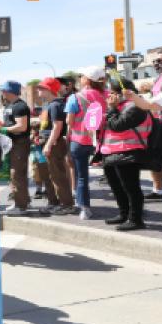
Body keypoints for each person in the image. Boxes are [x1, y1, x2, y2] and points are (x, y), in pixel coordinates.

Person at [101, 78, 152, 231]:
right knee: (117, 186)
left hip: (129, 151)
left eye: (114, 92)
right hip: (112, 152)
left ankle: (136, 219)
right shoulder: (120, 105)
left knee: (131, 188)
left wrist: (112, 108)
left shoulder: (136, 105)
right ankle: (124, 214)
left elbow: (118, 125)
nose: (112, 95)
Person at [64, 66, 107, 220]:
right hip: (101, 142)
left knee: (82, 176)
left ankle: (85, 208)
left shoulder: (75, 98)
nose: (79, 77)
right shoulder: (105, 96)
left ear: (87, 80)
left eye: (81, 76)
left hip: (80, 141)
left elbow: (69, 121)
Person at [38, 78, 75, 214]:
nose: (39, 91)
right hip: (52, 142)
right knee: (54, 175)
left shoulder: (55, 105)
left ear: (49, 90)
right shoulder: (52, 104)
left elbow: (57, 127)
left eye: (41, 88)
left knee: (58, 175)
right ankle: (59, 203)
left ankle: (67, 205)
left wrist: (48, 145)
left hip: (54, 143)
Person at [0, 81, 33, 216]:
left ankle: (21, 205)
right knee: (18, 174)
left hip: (19, 143)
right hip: (13, 143)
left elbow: (22, 127)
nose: (2, 93)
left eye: (4, 90)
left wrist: (3, 128)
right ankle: (23, 201)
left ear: (9, 91)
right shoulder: (11, 106)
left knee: (17, 174)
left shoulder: (20, 106)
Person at [146, 49, 162, 200]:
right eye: (155, 61)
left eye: (161, 60)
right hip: (159, 124)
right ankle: (158, 191)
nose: (157, 63)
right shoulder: (158, 80)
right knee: (155, 157)